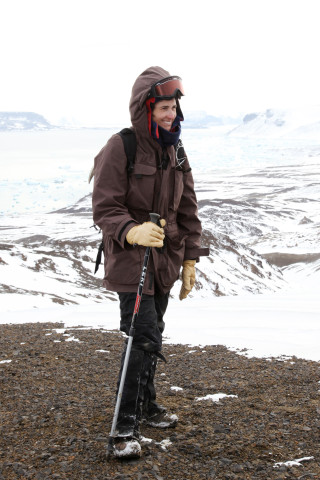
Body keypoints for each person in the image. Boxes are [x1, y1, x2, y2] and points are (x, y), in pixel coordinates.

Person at [92, 66, 208, 458]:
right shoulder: (120, 146)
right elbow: (104, 206)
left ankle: (146, 404)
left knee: (153, 331)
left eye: (173, 106)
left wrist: (190, 258)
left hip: (165, 262)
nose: (170, 113)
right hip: (130, 260)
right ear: (144, 108)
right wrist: (131, 230)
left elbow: (188, 210)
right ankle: (122, 432)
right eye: (162, 107)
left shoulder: (176, 151)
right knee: (140, 336)